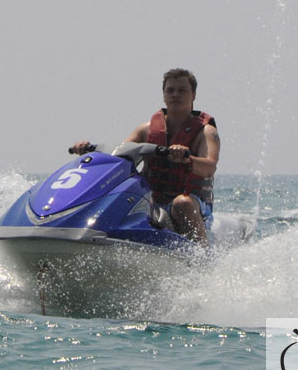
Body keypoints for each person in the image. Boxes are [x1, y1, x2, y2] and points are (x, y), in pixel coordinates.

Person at [70, 68, 219, 245]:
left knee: (182, 203)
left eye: (182, 90)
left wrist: (187, 158)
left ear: (193, 95)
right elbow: (118, 155)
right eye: (170, 90)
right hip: (152, 199)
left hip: (193, 203)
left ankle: (203, 258)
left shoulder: (206, 132)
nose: (175, 95)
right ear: (163, 95)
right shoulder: (146, 129)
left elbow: (209, 167)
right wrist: (88, 150)